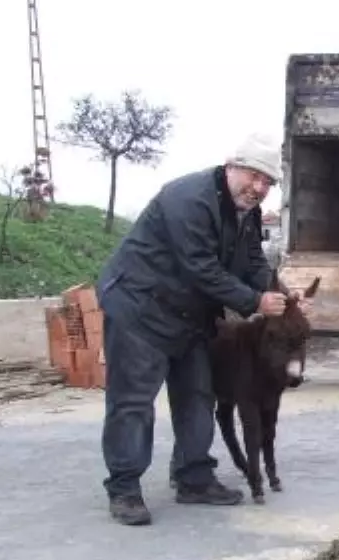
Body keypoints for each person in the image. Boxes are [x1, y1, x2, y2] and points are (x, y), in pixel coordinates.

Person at [95, 133, 309, 527]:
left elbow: (251, 262)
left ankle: (193, 477)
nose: (259, 188)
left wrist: (281, 292)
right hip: (140, 307)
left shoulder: (245, 214)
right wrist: (254, 303)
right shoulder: (188, 200)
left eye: (268, 182)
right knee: (133, 401)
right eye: (254, 176)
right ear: (231, 165)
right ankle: (124, 488)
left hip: (189, 315)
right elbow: (201, 268)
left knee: (199, 392)